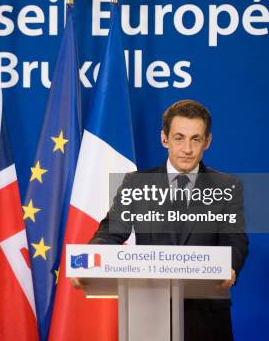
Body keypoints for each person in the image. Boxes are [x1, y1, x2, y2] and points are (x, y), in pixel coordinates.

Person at [72, 99, 248, 341]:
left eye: (195, 139)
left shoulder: (226, 186)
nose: (187, 148)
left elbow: (235, 238)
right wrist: (91, 264)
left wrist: (230, 266)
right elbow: (110, 233)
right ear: (164, 139)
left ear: (207, 141)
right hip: (150, 315)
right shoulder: (136, 183)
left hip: (206, 319)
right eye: (179, 137)